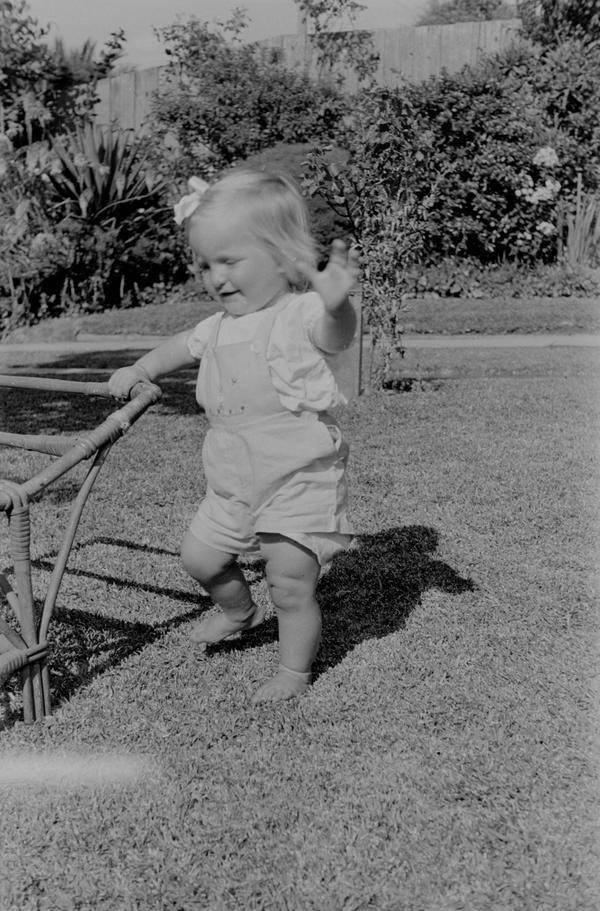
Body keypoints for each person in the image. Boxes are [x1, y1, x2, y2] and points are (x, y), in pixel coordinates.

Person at [109, 168, 358, 703]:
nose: (216, 277)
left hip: (294, 478)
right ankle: (239, 611)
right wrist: (142, 368)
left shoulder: (298, 314)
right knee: (200, 558)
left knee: (289, 582)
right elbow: (180, 345)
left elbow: (335, 337)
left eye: (230, 261)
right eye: (205, 265)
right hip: (232, 478)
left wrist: (338, 305)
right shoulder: (217, 325)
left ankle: (294, 671)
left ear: (282, 257)